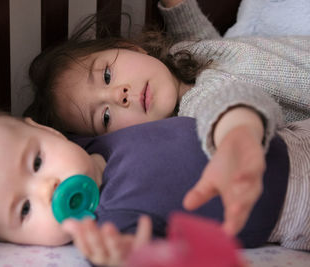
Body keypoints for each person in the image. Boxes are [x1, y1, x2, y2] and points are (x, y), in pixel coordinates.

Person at [23, 0, 310, 238]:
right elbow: (229, 104)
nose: (119, 96)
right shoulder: (194, 112)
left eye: (107, 75)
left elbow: (208, 41)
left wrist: (176, 5)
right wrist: (236, 136)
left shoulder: (182, 55)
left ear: (129, 47)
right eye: (106, 117)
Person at [0, 110, 310, 266]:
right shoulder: (110, 226)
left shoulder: (86, 143)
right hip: (293, 199)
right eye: (24, 211)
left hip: (288, 136)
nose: (48, 188)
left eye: (36, 163)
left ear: (47, 129)